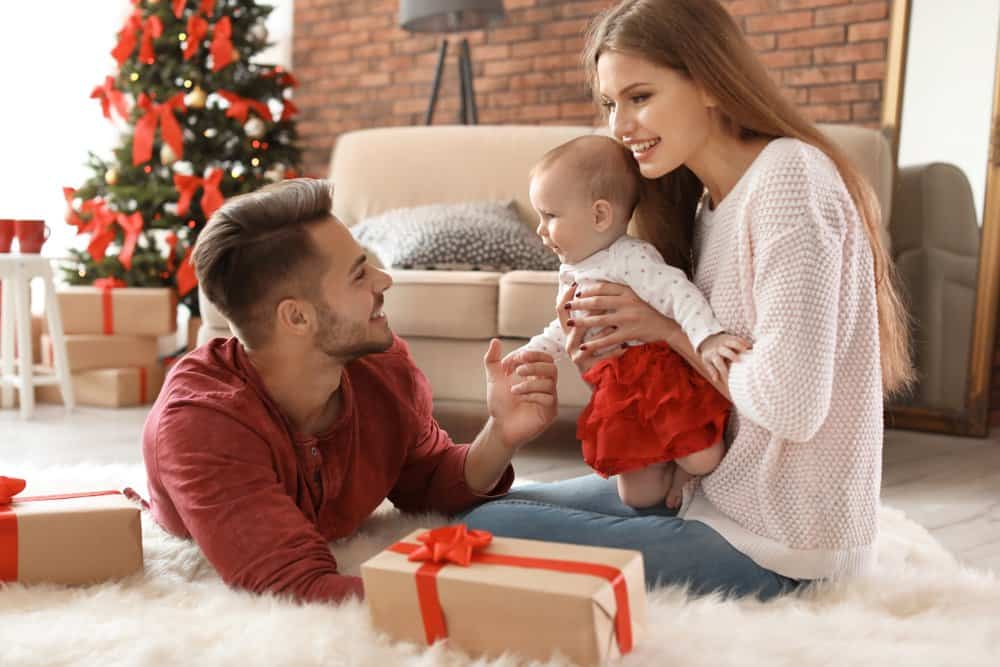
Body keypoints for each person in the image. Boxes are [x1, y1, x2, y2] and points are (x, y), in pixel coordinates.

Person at [458, 0, 913, 600]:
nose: (620, 126)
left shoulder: (788, 179)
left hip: (785, 544)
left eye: (640, 97)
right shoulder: (703, 205)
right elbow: (694, 395)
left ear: (708, 82)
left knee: (487, 527)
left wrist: (670, 331)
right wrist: (606, 355)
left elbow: (792, 407)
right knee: (494, 504)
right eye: (610, 103)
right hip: (709, 497)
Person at [141, 178, 558, 604]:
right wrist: (499, 609)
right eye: (359, 274)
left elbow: (428, 481)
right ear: (297, 317)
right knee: (536, 537)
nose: (384, 280)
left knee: (607, 502)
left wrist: (501, 432)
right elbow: (296, 589)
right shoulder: (202, 426)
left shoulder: (380, 367)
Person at [515, 135, 748, 509]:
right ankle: (665, 475)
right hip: (619, 391)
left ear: (599, 215)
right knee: (636, 496)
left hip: (657, 377)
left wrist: (708, 339)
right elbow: (565, 326)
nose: (540, 229)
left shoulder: (630, 259)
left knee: (703, 457)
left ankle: (686, 480)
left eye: (550, 216)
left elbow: (680, 293)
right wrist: (535, 350)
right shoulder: (572, 272)